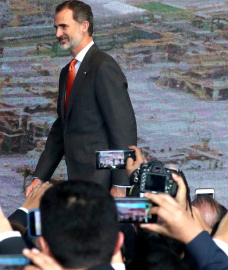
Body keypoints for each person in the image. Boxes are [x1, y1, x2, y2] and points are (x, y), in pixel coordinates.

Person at [27, 0, 137, 196]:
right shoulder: (66, 73)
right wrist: (40, 177)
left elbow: (122, 128)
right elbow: (63, 128)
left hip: (102, 185)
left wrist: (121, 184)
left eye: (63, 27)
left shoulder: (103, 66)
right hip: (79, 182)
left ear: (84, 26)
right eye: (56, 28)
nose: (57, 34)